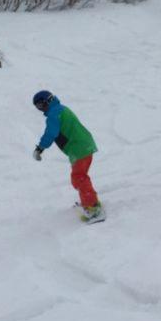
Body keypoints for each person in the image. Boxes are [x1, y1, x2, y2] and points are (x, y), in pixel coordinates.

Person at [31, 91, 104, 223]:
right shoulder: (61, 109)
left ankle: (94, 209)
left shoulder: (54, 114)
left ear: (48, 101)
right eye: (37, 107)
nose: (41, 109)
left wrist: (40, 148)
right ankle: (89, 202)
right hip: (82, 146)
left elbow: (50, 133)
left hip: (79, 148)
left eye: (41, 105)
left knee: (79, 177)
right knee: (78, 178)